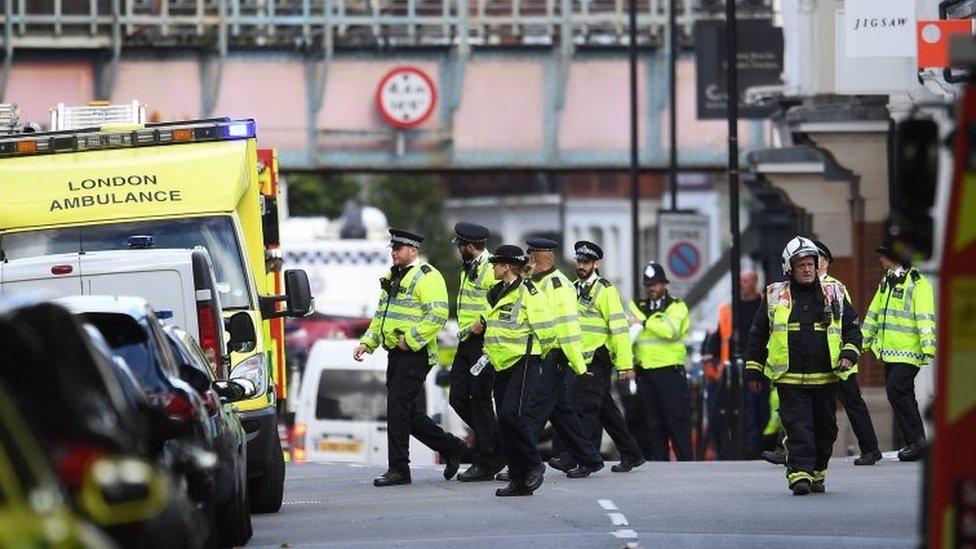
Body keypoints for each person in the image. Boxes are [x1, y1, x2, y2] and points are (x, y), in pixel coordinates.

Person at [745, 236, 862, 495]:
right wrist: (753, 368)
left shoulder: (835, 293)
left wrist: (848, 355)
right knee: (799, 427)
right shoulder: (775, 295)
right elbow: (758, 333)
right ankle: (799, 474)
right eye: (802, 265)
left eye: (811, 264)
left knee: (826, 430)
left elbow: (853, 329)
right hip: (790, 379)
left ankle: (818, 471)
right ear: (790, 268)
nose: (808, 269)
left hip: (826, 377)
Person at [354, 229, 466, 487]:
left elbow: (438, 315)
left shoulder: (428, 276)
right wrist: (367, 343)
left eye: (399, 248)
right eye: (392, 248)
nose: (394, 252)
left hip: (416, 353)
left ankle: (399, 469)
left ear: (413, 251)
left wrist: (411, 339)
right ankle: (452, 446)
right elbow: (381, 315)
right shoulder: (390, 276)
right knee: (407, 411)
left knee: (397, 407)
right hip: (396, 352)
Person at [550, 241, 645, 473]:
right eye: (579, 261)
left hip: (597, 358)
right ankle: (631, 454)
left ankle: (585, 460)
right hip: (579, 359)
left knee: (586, 410)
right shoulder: (572, 288)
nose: (581, 266)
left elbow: (620, 329)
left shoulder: (606, 290)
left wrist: (624, 365)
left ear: (596, 264)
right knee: (605, 410)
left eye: (586, 262)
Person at [521, 237, 605, 479]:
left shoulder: (557, 285)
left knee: (532, 413)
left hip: (552, 358)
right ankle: (590, 459)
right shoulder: (540, 282)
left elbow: (568, 329)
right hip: (545, 358)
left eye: (533, 256)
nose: (530, 260)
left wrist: (579, 365)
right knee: (563, 415)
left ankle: (523, 464)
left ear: (542, 258)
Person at [474, 245, 553, 496]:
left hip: (524, 361)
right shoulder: (497, 292)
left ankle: (533, 465)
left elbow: (547, 330)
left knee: (512, 416)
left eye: (496, 264)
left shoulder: (528, 292)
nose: (493, 267)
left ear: (506, 266)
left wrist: (538, 357)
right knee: (505, 423)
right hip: (501, 364)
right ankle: (518, 479)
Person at [861, 240, 936, 462]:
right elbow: (874, 313)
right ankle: (916, 442)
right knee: (902, 395)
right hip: (890, 351)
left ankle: (916, 442)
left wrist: (928, 346)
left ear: (895, 257)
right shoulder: (887, 281)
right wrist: (861, 343)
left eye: (884, 256)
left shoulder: (917, 282)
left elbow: (925, 316)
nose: (881, 260)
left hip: (908, 351)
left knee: (896, 391)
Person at [813, 239, 881, 466]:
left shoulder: (835, 287)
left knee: (853, 404)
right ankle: (787, 449)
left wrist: (847, 354)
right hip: (817, 356)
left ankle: (871, 449)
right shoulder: (805, 285)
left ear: (824, 263)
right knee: (804, 401)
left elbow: (848, 324)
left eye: (815, 259)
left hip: (839, 357)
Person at [449, 222, 503, 481]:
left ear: (469, 246)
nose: (459, 249)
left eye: (460, 245)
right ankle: (494, 442)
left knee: (481, 400)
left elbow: (506, 299)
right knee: (457, 397)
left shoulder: (492, 268)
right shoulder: (469, 266)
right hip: (465, 340)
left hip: (484, 341)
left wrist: (483, 319)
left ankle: (486, 461)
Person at [629, 261, 693, 461]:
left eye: (655, 284)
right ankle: (659, 468)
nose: (651, 289)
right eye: (648, 285)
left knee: (676, 422)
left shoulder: (677, 306)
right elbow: (628, 334)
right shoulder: (636, 306)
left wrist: (645, 322)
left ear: (664, 284)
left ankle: (687, 466)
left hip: (670, 373)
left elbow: (671, 331)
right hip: (645, 373)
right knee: (653, 425)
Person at [703, 269, 766, 459]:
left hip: (761, 367)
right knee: (737, 411)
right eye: (740, 281)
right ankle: (741, 447)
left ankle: (756, 445)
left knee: (759, 409)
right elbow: (718, 340)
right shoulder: (729, 309)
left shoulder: (765, 305)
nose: (741, 284)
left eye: (746, 281)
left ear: (755, 282)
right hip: (732, 371)